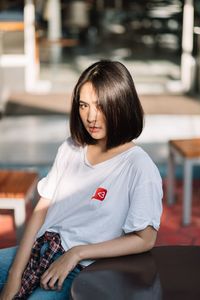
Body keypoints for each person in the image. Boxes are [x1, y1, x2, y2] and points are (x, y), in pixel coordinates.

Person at [0, 60, 163, 300]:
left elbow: (145, 239)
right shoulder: (71, 147)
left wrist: (76, 253)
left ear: (120, 104)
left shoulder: (138, 166)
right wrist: (15, 274)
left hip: (83, 268)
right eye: (83, 105)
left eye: (100, 105)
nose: (91, 117)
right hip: (41, 248)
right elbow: (41, 210)